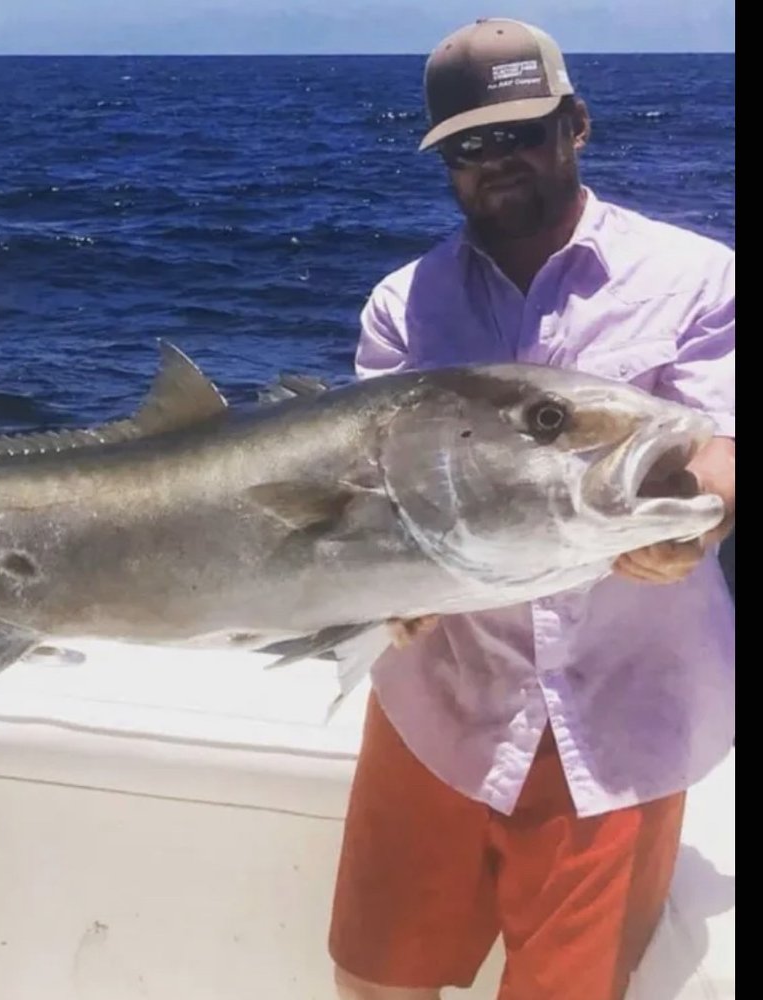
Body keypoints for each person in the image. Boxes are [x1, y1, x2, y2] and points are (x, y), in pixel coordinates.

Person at [327, 17, 734, 1000]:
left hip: (619, 711)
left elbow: (720, 450)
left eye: (520, 131)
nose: (493, 159)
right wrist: (383, 590)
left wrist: (700, 522)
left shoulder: (694, 276)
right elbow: (367, 500)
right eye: (468, 145)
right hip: (444, 699)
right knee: (374, 980)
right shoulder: (403, 304)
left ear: (576, 124)